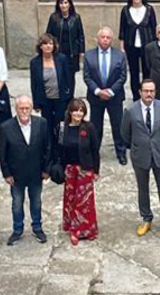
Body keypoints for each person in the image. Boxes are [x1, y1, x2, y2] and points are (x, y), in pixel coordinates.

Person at [121, 80, 160, 239]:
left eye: (152, 91)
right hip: (140, 155)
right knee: (143, 188)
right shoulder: (130, 110)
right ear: (140, 92)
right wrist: (138, 145)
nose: (149, 94)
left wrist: (158, 143)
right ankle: (146, 218)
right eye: (146, 91)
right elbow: (125, 133)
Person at [0, 95, 52, 246]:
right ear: (16, 109)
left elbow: (48, 147)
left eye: (27, 108)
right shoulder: (6, 127)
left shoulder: (41, 123)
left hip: (36, 172)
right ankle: (17, 230)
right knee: (17, 203)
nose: (24, 111)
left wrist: (46, 169)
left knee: (36, 202)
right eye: (21, 108)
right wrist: (6, 174)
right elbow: (2, 153)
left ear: (31, 108)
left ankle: (37, 227)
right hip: (16, 175)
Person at [54, 99, 101, 245]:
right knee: (71, 200)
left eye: (81, 111)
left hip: (85, 169)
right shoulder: (62, 127)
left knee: (85, 202)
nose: (78, 114)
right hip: (69, 169)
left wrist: (96, 170)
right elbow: (58, 148)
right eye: (75, 110)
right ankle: (73, 228)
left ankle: (85, 230)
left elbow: (95, 150)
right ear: (70, 111)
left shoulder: (89, 127)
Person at [83, 27, 128, 164]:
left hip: (115, 97)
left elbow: (123, 76)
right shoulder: (89, 55)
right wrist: (98, 91)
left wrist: (111, 91)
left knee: (118, 125)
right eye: (102, 37)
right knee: (95, 126)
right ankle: (94, 152)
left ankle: (121, 152)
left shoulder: (119, 55)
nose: (105, 40)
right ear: (98, 39)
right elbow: (87, 77)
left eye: (108, 37)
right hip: (96, 97)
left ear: (111, 39)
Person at [119, 0, 157, 101]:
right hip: (131, 46)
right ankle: (136, 97)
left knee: (147, 71)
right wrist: (122, 47)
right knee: (134, 73)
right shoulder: (125, 10)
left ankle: (147, 95)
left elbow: (154, 28)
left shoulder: (149, 9)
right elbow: (122, 29)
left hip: (147, 46)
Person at [46, 0, 85, 95]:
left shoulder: (76, 18)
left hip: (72, 53)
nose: (64, 5)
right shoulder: (53, 18)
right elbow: (49, 35)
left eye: (65, 3)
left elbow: (80, 35)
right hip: (58, 52)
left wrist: (81, 51)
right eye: (61, 3)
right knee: (59, 75)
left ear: (69, 4)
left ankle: (70, 97)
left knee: (70, 77)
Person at [30, 34, 72, 131]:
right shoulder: (35, 62)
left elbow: (68, 79)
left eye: (50, 43)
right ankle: (49, 141)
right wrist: (36, 103)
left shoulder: (62, 59)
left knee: (61, 125)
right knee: (47, 125)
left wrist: (69, 97)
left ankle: (60, 140)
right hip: (45, 100)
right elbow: (34, 84)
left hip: (61, 99)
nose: (48, 46)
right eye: (45, 44)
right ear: (40, 46)